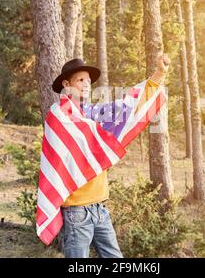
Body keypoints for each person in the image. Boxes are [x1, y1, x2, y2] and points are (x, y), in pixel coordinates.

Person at [50, 53, 170, 258]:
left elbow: (126, 107)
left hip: (99, 207)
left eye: (88, 80)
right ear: (66, 83)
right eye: (80, 80)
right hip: (76, 211)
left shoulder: (92, 113)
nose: (87, 84)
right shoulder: (58, 116)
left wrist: (158, 74)